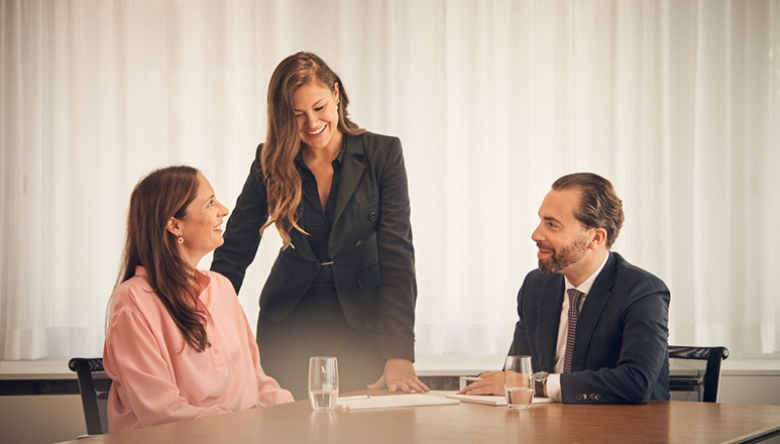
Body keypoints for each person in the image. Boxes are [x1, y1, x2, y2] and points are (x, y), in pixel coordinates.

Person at [211, 52, 428, 400]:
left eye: (319, 107)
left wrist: (400, 352)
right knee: (287, 431)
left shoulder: (382, 154)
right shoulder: (269, 160)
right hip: (288, 323)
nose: (311, 123)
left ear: (337, 94)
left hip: (363, 322)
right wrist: (204, 325)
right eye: (297, 115)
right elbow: (235, 249)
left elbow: (397, 254)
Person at [103, 166, 293, 432]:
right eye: (210, 203)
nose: (223, 210)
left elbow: (258, 383)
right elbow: (161, 412)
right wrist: (239, 428)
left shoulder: (222, 288)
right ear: (174, 224)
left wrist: (296, 410)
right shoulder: (133, 302)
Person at [460, 172, 670, 404]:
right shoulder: (536, 285)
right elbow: (517, 374)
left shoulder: (642, 291)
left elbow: (636, 383)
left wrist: (535, 384)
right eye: (540, 220)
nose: (536, 234)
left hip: (621, 432)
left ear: (595, 237)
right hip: (547, 429)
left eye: (552, 224)